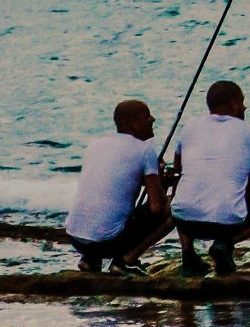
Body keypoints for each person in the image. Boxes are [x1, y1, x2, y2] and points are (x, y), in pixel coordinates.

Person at [167, 78, 250, 277]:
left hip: (185, 220)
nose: (244, 107)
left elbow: (178, 168)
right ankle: (224, 244)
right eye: (242, 101)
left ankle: (188, 254)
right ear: (233, 103)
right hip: (227, 225)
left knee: (182, 186)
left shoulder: (190, 126)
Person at [63, 98, 172, 275]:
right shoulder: (145, 150)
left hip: (76, 239)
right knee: (174, 207)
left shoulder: (95, 145)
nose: (153, 119)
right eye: (147, 116)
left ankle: (90, 259)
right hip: (107, 242)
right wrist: (159, 179)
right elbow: (157, 206)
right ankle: (126, 261)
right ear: (134, 123)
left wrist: (154, 179)